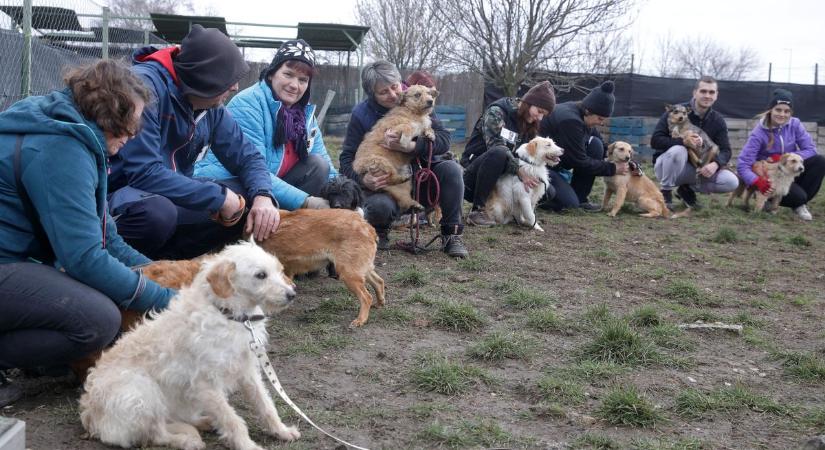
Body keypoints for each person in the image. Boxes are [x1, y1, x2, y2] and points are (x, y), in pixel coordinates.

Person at [0, 60, 176, 406]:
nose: (134, 133)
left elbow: (106, 239)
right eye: (132, 121)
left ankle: (38, 354)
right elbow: (84, 258)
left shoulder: (71, 133)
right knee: (97, 320)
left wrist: (164, 273)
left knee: (106, 294)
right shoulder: (61, 150)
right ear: (111, 112)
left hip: (13, 261)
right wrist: (166, 300)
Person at [107, 25, 279, 260]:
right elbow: (143, 173)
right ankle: (119, 265)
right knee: (158, 212)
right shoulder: (144, 89)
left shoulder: (210, 105)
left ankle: (166, 265)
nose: (235, 87)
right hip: (120, 197)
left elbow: (247, 157)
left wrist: (262, 195)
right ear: (203, 78)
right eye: (227, 79)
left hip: (169, 193)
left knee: (245, 201)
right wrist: (218, 196)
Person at [339, 60, 468, 258]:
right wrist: (363, 180)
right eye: (383, 92)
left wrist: (414, 146)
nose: (393, 95)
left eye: (395, 86)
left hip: (423, 178)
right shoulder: (361, 114)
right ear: (371, 94)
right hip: (388, 185)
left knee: (452, 169)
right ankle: (380, 231)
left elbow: (444, 139)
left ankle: (451, 234)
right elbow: (346, 158)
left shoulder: (418, 98)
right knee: (378, 206)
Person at [195, 39, 338, 210]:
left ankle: (285, 222)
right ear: (272, 73)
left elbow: (327, 168)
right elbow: (253, 170)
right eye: (288, 74)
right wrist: (306, 201)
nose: (295, 85)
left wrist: (344, 192)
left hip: (270, 184)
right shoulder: (248, 103)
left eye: (303, 80)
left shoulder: (304, 115)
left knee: (318, 165)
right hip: (232, 183)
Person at [461, 81, 557, 225]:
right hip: (474, 176)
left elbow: (528, 156)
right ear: (528, 103)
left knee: (547, 189)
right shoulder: (497, 112)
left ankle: (518, 213)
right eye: (539, 111)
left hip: (504, 177)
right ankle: (478, 211)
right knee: (499, 153)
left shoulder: (529, 122)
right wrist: (520, 171)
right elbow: (495, 147)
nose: (540, 118)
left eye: (544, 115)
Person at [651, 76, 738, 209]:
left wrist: (716, 164)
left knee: (731, 182)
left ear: (716, 95)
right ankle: (666, 192)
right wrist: (683, 141)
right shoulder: (676, 110)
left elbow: (726, 151)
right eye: (703, 91)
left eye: (711, 92)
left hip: (695, 168)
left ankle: (686, 189)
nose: (707, 95)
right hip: (666, 168)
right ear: (695, 92)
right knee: (678, 150)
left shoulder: (718, 120)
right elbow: (655, 141)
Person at [736, 89, 825, 220]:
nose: (782, 114)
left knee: (820, 161)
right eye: (778, 110)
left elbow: (811, 149)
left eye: (787, 111)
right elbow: (743, 164)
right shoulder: (758, 133)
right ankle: (767, 197)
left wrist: (786, 157)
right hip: (771, 175)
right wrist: (757, 181)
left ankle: (800, 205)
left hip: (790, 170)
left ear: (791, 113)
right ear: (771, 110)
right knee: (799, 196)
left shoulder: (795, 124)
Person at [539, 80, 626, 212]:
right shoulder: (571, 121)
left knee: (596, 145)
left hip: (560, 159)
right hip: (542, 166)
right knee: (568, 205)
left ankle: (580, 198)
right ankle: (537, 199)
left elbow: (602, 145)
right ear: (588, 111)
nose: (601, 123)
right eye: (600, 119)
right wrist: (612, 168)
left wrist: (621, 159)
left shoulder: (584, 116)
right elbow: (579, 161)